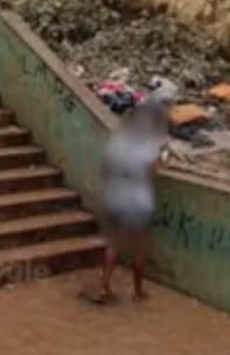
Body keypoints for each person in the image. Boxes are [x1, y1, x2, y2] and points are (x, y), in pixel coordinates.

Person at [85, 97, 169, 304]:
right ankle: (138, 291)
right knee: (139, 248)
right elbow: (151, 174)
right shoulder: (150, 145)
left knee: (113, 244)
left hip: (116, 196)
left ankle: (105, 285)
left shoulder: (118, 141)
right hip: (139, 201)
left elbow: (106, 168)